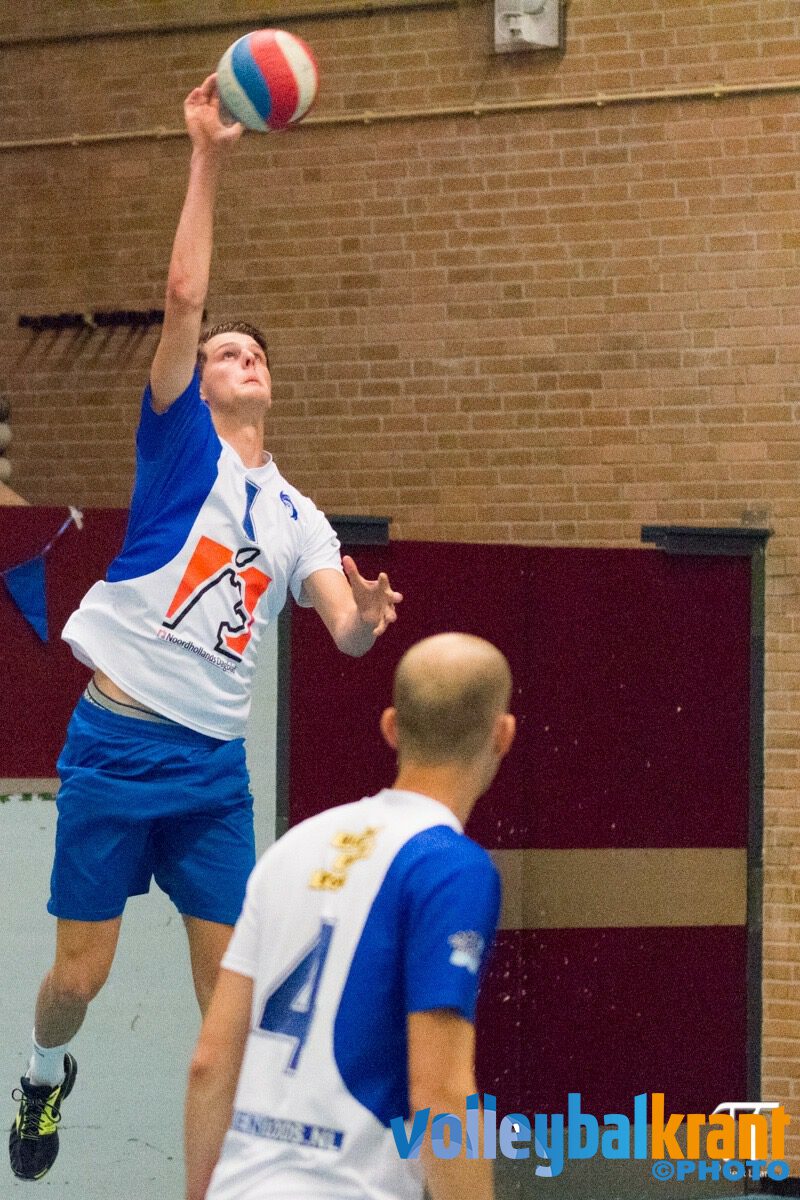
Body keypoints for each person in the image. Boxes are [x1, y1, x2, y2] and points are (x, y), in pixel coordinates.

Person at [9, 74, 401, 1183]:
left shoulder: (299, 516)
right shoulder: (179, 441)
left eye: (256, 354)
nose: (244, 359)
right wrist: (207, 154)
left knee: (229, 1001)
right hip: (115, 746)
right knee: (78, 981)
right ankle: (42, 1074)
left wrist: (367, 618)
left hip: (212, 777)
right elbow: (184, 296)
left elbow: (343, 632)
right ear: (201, 381)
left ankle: (239, 1177)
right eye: (229, 352)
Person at [184, 632, 515, 1200]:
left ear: (391, 727)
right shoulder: (452, 868)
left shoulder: (292, 848)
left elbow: (209, 1063)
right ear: (503, 735)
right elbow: (440, 1094)